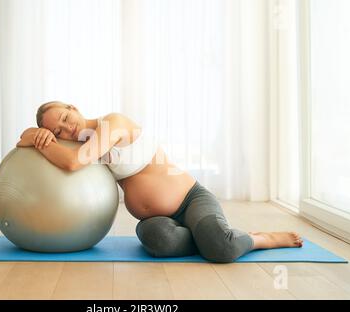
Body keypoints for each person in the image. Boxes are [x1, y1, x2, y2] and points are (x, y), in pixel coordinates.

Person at [17, 101, 303, 263]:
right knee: (158, 243)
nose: (68, 128)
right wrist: (31, 133)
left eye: (66, 118)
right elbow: (47, 152)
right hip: (154, 220)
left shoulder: (112, 123)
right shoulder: (77, 143)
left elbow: (72, 163)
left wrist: (37, 140)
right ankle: (211, 235)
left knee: (222, 250)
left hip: (191, 198)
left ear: (74, 107)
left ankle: (258, 238)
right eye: (58, 130)